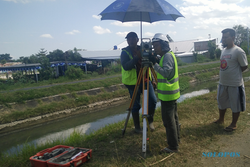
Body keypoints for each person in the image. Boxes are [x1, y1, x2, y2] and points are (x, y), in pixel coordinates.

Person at [120, 32, 157, 134]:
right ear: (127, 41)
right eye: (129, 39)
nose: (131, 41)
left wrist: (152, 55)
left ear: (137, 40)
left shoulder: (143, 48)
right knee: (135, 105)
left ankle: (150, 122)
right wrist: (137, 57)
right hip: (133, 83)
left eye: (133, 39)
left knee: (153, 101)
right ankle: (137, 127)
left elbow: (152, 63)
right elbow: (126, 66)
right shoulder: (125, 52)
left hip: (146, 80)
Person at [150, 33, 180, 153]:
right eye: (153, 46)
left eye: (156, 45)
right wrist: (157, 60)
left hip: (168, 95)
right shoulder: (166, 56)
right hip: (170, 94)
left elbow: (166, 73)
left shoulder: (167, 56)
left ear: (163, 45)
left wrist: (154, 64)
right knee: (174, 118)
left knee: (169, 121)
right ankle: (176, 140)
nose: (154, 48)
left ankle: (173, 146)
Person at [214, 28, 248, 132]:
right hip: (223, 83)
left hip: (235, 84)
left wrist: (234, 74)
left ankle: (233, 124)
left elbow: (244, 66)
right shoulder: (223, 51)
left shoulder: (238, 51)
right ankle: (221, 119)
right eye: (223, 37)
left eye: (226, 37)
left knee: (235, 104)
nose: (223, 39)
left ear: (233, 37)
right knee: (221, 102)